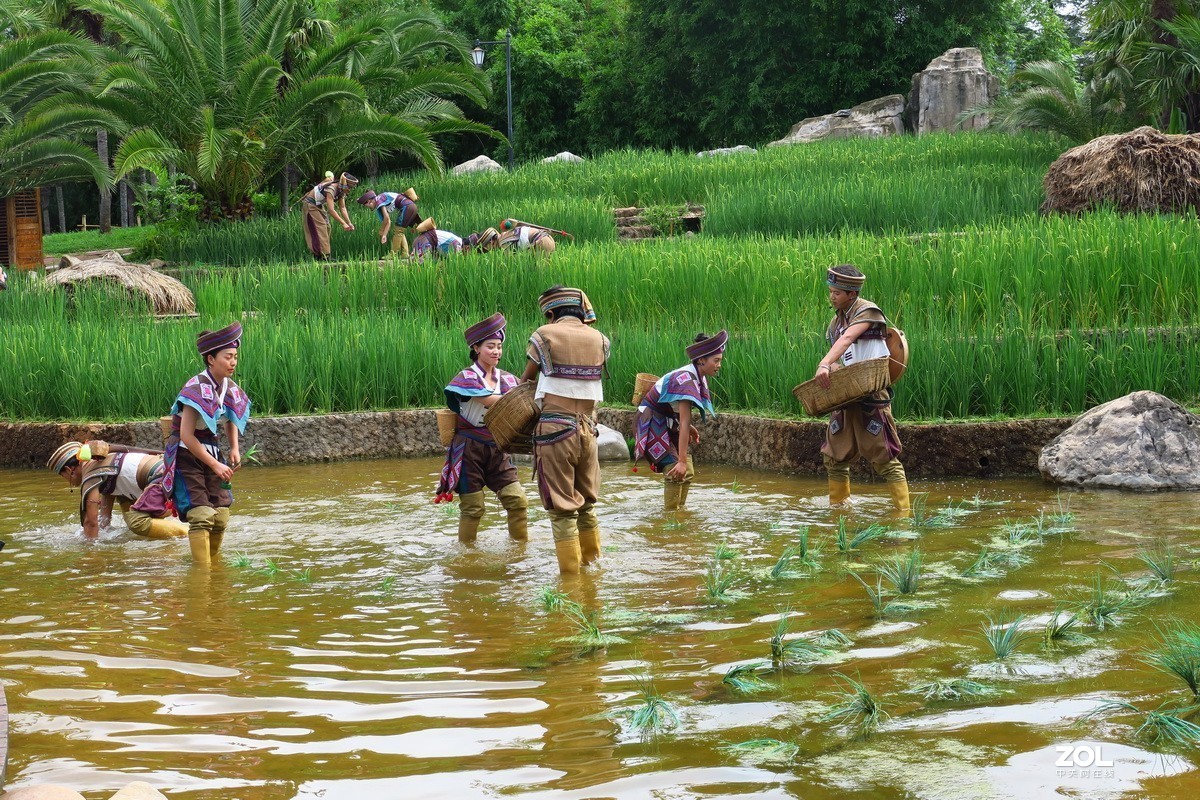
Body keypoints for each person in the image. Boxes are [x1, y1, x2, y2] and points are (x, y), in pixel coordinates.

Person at [520, 286, 610, 574]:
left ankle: (570, 582)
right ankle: (592, 569)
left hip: (556, 429)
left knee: (561, 510)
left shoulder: (544, 334)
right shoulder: (600, 339)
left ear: (550, 312)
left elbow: (526, 380)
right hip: (588, 429)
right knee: (586, 505)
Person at [814, 264, 910, 514]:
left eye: (837, 292)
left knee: (885, 458)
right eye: (831, 291)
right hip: (846, 395)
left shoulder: (869, 312)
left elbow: (848, 340)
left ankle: (903, 515)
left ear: (852, 295)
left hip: (870, 395)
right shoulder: (836, 321)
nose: (831, 296)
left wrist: (824, 363)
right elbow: (840, 356)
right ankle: (840, 510)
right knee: (834, 458)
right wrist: (831, 367)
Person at [158, 322, 252, 567]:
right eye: (228, 357)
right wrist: (215, 465)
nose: (233, 362)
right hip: (187, 454)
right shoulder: (195, 388)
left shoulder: (228, 387)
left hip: (211, 449)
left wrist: (234, 448)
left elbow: (231, 416)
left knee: (220, 517)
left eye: (235, 357)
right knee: (201, 516)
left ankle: (212, 567)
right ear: (211, 359)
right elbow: (187, 436)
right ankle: (202, 575)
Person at [434, 313, 530, 542]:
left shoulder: (507, 379)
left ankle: (520, 553)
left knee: (517, 501)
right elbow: (492, 401)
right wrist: (525, 396)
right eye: (490, 346)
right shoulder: (466, 378)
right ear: (476, 348)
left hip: (498, 447)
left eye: (499, 346)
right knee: (473, 507)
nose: (496, 351)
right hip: (469, 449)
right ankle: (466, 557)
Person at [633, 331, 728, 511]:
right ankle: (670, 519)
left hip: (667, 419)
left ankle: (679, 514)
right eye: (716, 360)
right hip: (651, 420)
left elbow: (680, 414)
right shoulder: (685, 379)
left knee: (687, 471)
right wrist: (681, 460)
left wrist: (688, 428)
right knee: (674, 468)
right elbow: (683, 421)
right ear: (701, 360)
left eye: (720, 360)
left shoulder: (696, 376)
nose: (719, 365)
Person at [46, 440, 187, 539]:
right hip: (170, 471)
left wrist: (90, 552)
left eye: (63, 476)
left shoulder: (90, 477)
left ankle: (186, 533)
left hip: (162, 477)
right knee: (126, 504)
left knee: (137, 523)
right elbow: (103, 520)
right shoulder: (101, 464)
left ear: (69, 470)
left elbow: (91, 522)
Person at [301, 171, 359, 260]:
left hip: (318, 205)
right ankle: (324, 256)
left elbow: (342, 207)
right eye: (350, 187)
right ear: (344, 183)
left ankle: (320, 254)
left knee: (327, 227)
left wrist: (349, 223)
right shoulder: (332, 189)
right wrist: (343, 223)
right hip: (310, 204)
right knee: (321, 227)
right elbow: (331, 210)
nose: (350, 189)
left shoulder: (341, 191)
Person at [356, 187, 421, 257]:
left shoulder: (379, 200)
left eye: (367, 206)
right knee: (400, 230)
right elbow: (388, 221)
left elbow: (386, 218)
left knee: (398, 230)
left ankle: (393, 254)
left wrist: (381, 230)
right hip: (410, 207)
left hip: (407, 207)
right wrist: (384, 235)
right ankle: (405, 253)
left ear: (369, 201)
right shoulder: (380, 200)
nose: (369, 208)